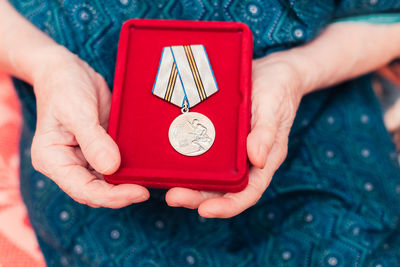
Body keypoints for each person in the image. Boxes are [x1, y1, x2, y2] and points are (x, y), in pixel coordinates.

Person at [1, 1, 400, 266]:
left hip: (305, 120)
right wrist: (47, 66)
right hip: (89, 132)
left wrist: (295, 71)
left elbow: (387, 14)